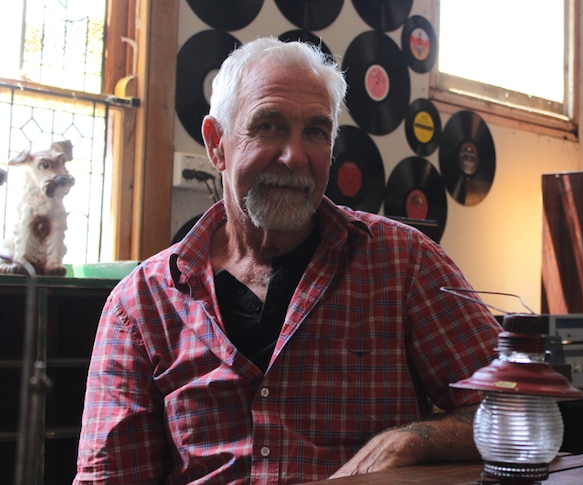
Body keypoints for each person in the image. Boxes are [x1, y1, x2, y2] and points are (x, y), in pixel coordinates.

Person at [74, 37, 502, 484]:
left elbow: (518, 412)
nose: (294, 156)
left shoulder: (405, 263)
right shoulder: (140, 305)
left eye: (316, 132)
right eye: (269, 126)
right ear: (216, 144)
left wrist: (409, 441)